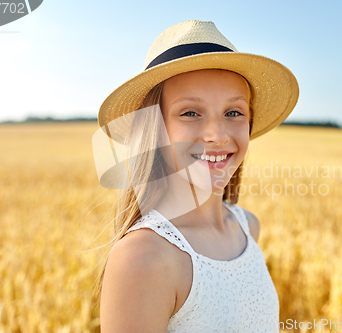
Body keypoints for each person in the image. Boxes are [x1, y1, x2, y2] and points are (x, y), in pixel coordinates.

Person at [93, 20, 299, 332]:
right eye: (190, 112)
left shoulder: (247, 227)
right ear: (156, 130)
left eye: (234, 112)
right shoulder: (143, 258)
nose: (217, 134)